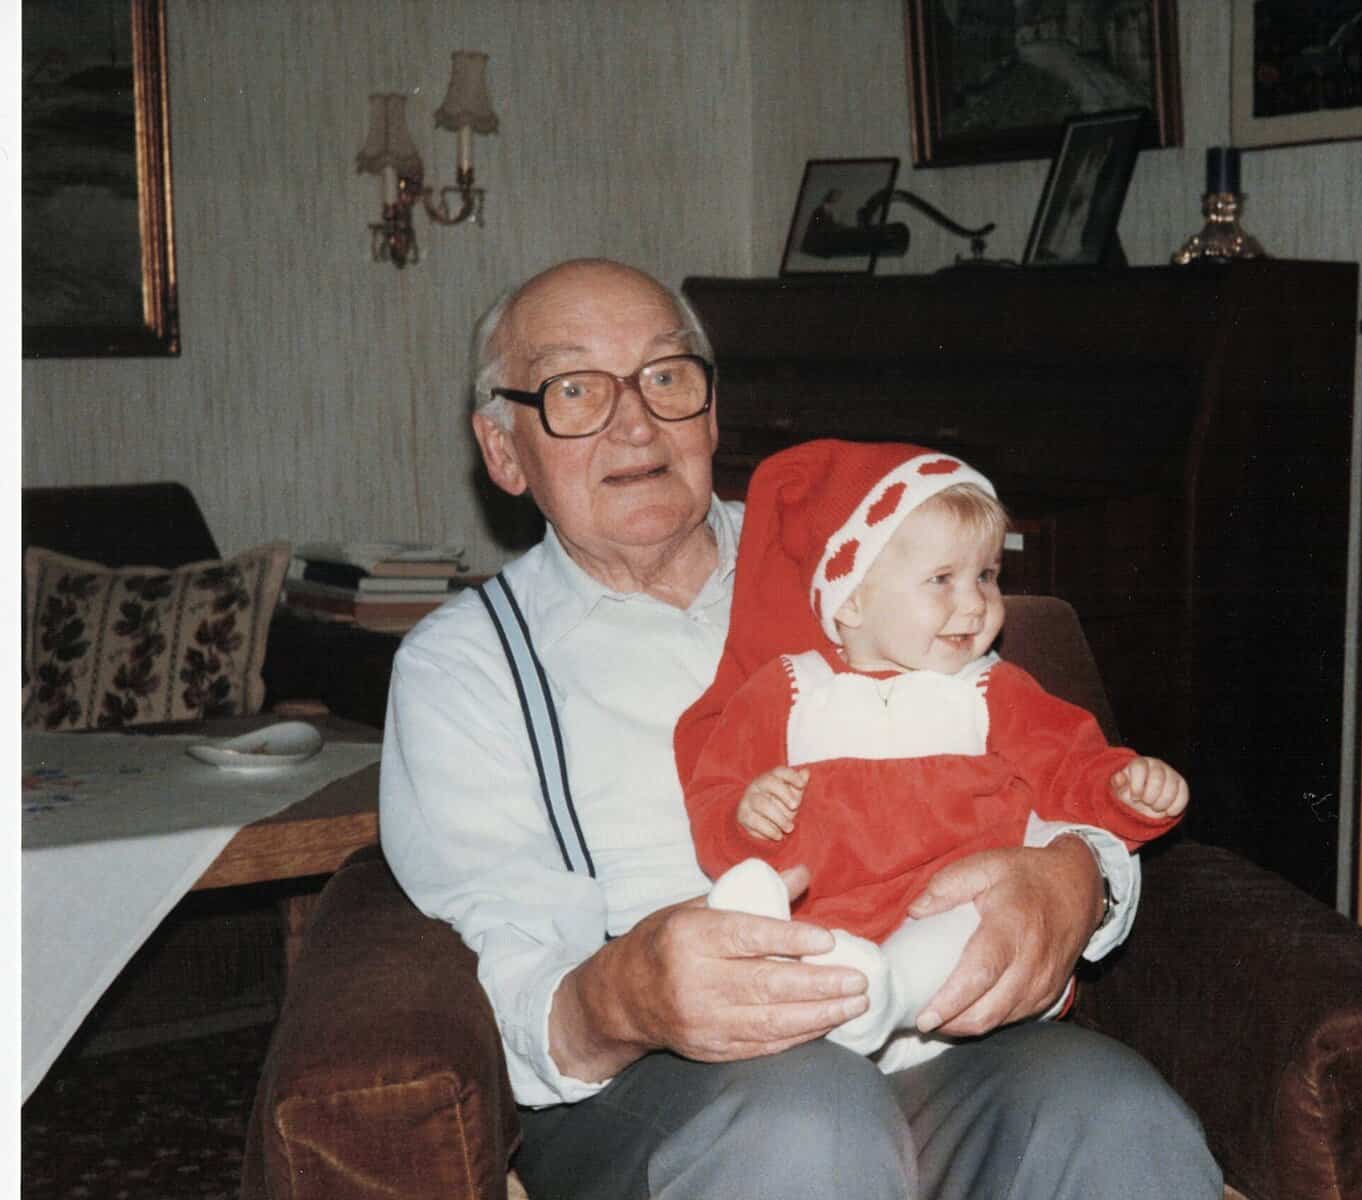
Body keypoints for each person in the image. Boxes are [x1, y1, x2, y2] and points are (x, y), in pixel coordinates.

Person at [379, 257, 1223, 1199]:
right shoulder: (466, 665)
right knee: (808, 1121)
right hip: (656, 1077)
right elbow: (499, 950)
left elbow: (1032, 744)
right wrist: (625, 996)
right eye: (573, 388)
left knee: (1117, 1115)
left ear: (710, 413)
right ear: (502, 451)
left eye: (666, 376)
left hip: (931, 1023)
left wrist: (1079, 878)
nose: (636, 421)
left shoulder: (866, 544)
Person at [676, 439, 1189, 1072]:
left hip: (948, 919)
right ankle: (837, 988)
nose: (975, 604)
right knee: (765, 916)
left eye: (986, 576)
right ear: (852, 598)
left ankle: (881, 1001)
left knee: (975, 922)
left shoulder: (991, 688)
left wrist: (1124, 789)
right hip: (830, 916)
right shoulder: (786, 689)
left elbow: (1068, 767)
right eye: (942, 580)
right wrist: (746, 817)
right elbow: (716, 790)